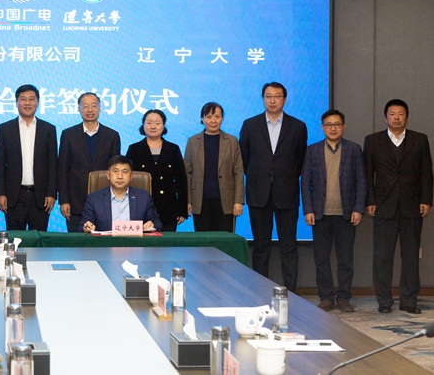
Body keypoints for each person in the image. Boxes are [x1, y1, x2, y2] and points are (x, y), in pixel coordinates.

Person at [364, 99, 433, 314]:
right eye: (392, 113)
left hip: (412, 205)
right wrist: (370, 201)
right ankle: (384, 301)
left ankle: (409, 300)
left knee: (411, 255)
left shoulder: (420, 140)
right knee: (382, 256)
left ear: (407, 117)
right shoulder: (373, 141)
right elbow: (367, 174)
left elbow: (427, 173)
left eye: (400, 113)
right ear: (385, 118)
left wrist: (426, 199)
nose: (396, 117)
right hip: (383, 206)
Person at [239, 82, 308, 292]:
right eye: (268, 96)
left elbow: (300, 160)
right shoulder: (250, 125)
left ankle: (291, 292)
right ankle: (260, 291)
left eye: (277, 96)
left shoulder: (297, 126)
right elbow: (244, 159)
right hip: (259, 194)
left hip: (286, 192)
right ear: (263, 99)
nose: (272, 100)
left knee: (289, 245)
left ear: (284, 99)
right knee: (261, 246)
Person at [301, 109, 366, 313]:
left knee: (345, 259)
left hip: (346, 214)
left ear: (343, 126)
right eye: (328, 125)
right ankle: (326, 297)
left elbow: (361, 181)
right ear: (322, 127)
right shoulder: (312, 151)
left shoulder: (354, 150)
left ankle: (344, 297)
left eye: (337, 124)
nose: (333, 128)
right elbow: (306, 182)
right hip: (320, 214)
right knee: (321, 259)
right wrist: (308, 210)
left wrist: (358, 208)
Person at [0, 84, 57, 231]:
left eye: (31, 99)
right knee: (15, 239)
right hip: (13, 197)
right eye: (23, 99)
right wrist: (0, 194)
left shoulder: (48, 129)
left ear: (38, 102)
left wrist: (51, 193)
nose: (27, 103)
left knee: (39, 239)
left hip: (41, 197)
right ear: (16, 102)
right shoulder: (4, 129)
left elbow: (53, 164)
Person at [58, 92, 121, 233]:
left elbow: (115, 171)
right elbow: (62, 169)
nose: (90, 110)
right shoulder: (68, 134)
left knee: (103, 241)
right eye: (85, 106)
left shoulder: (112, 136)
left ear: (100, 108)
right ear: (79, 109)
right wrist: (64, 200)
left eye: (93, 106)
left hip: (105, 200)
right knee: (76, 242)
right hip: (75, 201)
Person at [184, 102, 244, 232]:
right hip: (200, 200)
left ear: (222, 118)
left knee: (225, 239)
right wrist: (187, 200)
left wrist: (238, 201)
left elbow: (238, 172)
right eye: (209, 117)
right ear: (202, 119)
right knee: (203, 240)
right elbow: (187, 173)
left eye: (217, 116)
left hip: (226, 201)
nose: (213, 121)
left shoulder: (232, 141)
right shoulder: (192, 141)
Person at [125, 109, 187, 231]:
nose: (153, 126)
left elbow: (181, 181)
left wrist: (182, 210)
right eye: (149, 123)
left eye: (157, 123)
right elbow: (127, 179)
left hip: (168, 207)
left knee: (166, 241)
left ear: (164, 125)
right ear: (143, 125)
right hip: (140, 207)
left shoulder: (173, 149)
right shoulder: (134, 149)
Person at [80, 155, 162, 232]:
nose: (120, 176)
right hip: (106, 242)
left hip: (135, 242)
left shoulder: (144, 197)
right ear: (108, 175)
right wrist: (87, 227)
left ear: (131, 176)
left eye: (124, 172)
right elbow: (82, 226)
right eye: (115, 171)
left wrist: (152, 225)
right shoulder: (94, 198)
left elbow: (158, 224)